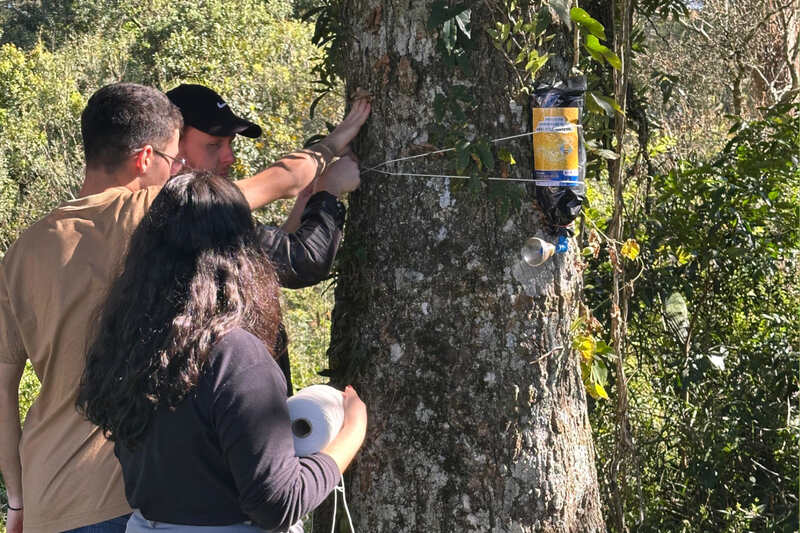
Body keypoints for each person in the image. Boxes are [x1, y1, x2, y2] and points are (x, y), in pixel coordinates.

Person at [0, 83, 369, 533]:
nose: (180, 169)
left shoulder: (23, 250)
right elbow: (281, 179)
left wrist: (17, 500)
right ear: (143, 158)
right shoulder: (156, 210)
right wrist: (333, 145)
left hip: (47, 502)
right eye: (174, 157)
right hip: (125, 501)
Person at [76, 171, 367, 532]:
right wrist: (351, 432)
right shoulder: (235, 355)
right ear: (244, 253)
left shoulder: (128, 339)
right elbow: (278, 503)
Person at [165, 83, 362, 393]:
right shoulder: (194, 214)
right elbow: (304, 262)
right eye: (214, 145)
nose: (229, 156)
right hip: (233, 402)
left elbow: (260, 262)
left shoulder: (164, 211)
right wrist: (329, 192)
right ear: (172, 147)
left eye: (229, 143)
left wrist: (305, 204)